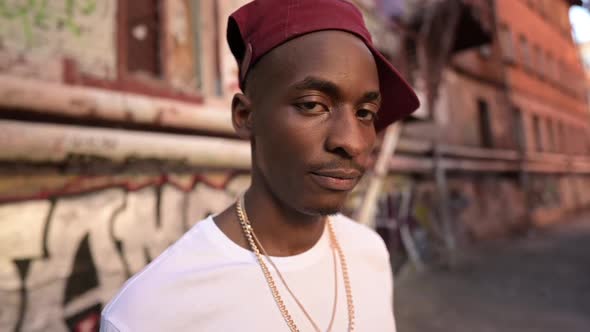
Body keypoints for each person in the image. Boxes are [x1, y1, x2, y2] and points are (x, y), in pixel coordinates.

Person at [100, 0, 419, 331]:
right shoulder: (148, 314)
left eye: (365, 112)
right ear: (245, 116)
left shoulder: (370, 252)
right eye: (313, 105)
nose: (351, 142)